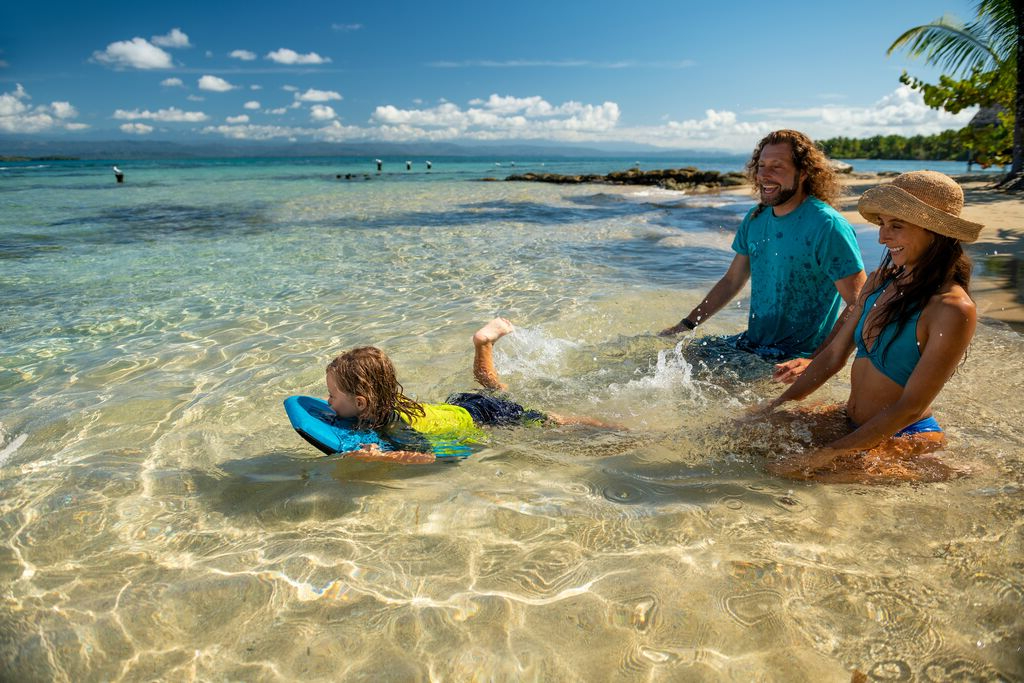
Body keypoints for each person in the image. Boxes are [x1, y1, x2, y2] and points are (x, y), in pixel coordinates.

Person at [761, 170, 982, 482]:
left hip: (903, 435)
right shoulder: (880, 281)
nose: (882, 237)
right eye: (882, 224)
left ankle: (950, 471)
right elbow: (834, 354)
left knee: (790, 475)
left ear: (935, 231)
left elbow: (910, 406)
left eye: (896, 226)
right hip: (851, 422)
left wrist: (829, 453)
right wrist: (776, 405)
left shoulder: (952, 309)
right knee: (745, 437)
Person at [660, 130, 866, 382]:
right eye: (761, 166)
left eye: (777, 166)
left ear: (803, 173)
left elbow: (859, 302)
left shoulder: (827, 226)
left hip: (790, 359)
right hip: (751, 344)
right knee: (664, 358)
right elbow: (732, 281)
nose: (764, 175)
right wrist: (686, 325)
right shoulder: (756, 218)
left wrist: (815, 362)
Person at [325, 318, 614, 464]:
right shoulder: (382, 399)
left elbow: (428, 457)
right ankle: (483, 342)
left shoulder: (396, 426)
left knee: (553, 421)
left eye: (332, 396)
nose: (327, 402)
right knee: (493, 387)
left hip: (485, 415)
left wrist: (381, 458)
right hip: (459, 405)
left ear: (361, 402)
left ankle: (614, 429)